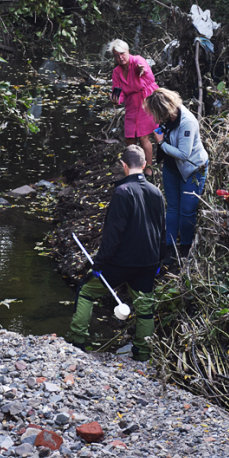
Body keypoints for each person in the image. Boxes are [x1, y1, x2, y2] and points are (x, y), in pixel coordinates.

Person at [69, 145, 166, 361]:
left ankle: (77, 343)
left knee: (86, 292)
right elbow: (162, 229)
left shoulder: (122, 192)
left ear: (123, 165)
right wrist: (159, 259)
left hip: (121, 262)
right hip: (148, 261)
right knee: (144, 308)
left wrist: (99, 264)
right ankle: (143, 354)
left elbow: (113, 234)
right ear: (144, 165)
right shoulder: (156, 192)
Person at [144, 88, 209, 263]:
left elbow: (184, 154)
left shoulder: (187, 122)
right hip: (172, 168)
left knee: (187, 211)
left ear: (165, 110)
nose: (156, 118)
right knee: (172, 207)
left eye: (157, 114)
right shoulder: (169, 118)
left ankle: (186, 249)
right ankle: (170, 249)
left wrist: (162, 143)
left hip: (193, 169)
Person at [108, 39, 159, 177]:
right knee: (130, 138)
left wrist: (142, 69)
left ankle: (148, 168)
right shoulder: (117, 72)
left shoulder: (137, 60)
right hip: (131, 104)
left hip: (146, 100)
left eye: (122, 54)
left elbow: (144, 69)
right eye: (116, 55)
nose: (120, 58)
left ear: (128, 51)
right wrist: (115, 100)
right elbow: (118, 92)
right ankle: (133, 169)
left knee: (143, 137)